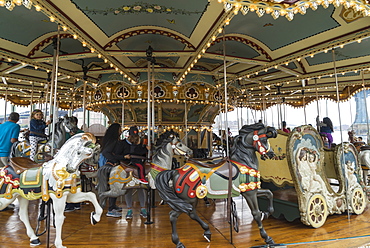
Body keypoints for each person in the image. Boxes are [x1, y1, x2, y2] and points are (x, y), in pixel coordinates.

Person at [121, 126, 149, 220]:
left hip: (137, 164)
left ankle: (143, 208)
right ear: (129, 136)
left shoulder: (139, 144)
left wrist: (147, 149)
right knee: (129, 188)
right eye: (133, 136)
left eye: (136, 137)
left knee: (140, 188)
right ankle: (129, 208)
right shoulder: (124, 144)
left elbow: (142, 153)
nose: (134, 139)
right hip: (128, 166)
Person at [100, 123, 125, 218]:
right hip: (110, 165)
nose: (121, 131)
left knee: (114, 185)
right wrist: (114, 160)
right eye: (120, 129)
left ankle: (113, 205)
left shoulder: (112, 140)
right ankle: (111, 209)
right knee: (114, 185)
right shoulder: (113, 141)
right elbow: (106, 152)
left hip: (110, 163)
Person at [64, 116, 84, 212]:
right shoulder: (70, 133)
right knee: (75, 181)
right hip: (73, 160)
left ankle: (71, 203)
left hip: (73, 160)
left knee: (71, 181)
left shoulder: (78, 134)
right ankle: (76, 202)